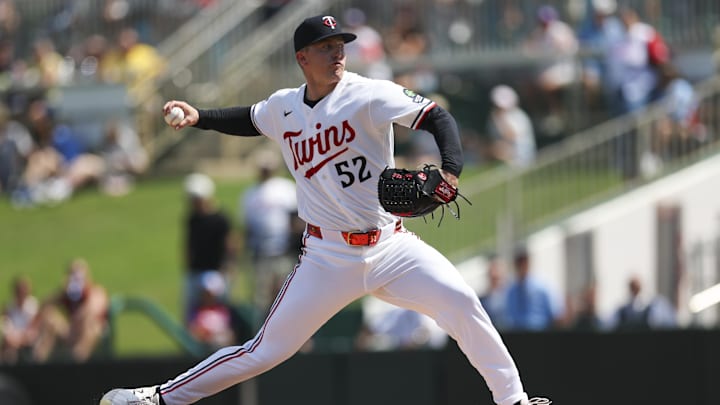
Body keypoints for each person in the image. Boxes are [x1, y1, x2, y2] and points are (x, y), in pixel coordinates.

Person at [103, 15, 549, 405]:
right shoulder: (284, 107)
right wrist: (199, 115)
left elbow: (438, 116)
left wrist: (450, 170)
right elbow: (249, 118)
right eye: (326, 48)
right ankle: (160, 398)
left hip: (390, 247)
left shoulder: (369, 94)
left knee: (461, 302)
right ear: (303, 58)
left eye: (341, 47)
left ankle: (514, 401)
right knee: (264, 351)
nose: (338, 55)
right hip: (326, 257)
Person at [240, 150, 297, 328]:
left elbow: (296, 219)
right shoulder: (250, 194)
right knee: (261, 298)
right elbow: (247, 226)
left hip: (284, 251)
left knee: (287, 295)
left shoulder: (286, 188)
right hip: (261, 252)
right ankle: (262, 334)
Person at [182, 173, 237, 324]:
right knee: (193, 315)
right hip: (196, 271)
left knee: (221, 312)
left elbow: (230, 244)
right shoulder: (192, 218)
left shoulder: (221, 218)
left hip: (216, 272)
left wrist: (230, 267)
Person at [32, 258, 109, 363]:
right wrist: (61, 292)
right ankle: (38, 360)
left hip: (90, 330)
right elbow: (45, 304)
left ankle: (78, 358)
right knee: (50, 318)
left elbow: (93, 309)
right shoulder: (68, 293)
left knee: (90, 323)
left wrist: (79, 315)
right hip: (71, 330)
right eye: (73, 275)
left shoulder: (96, 291)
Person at [505, 246, 563, 331]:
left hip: (540, 333)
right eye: (519, 262)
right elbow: (509, 316)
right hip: (517, 335)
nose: (521, 265)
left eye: (523, 261)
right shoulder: (511, 290)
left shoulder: (542, 287)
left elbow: (555, 313)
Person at [485, 84, 536, 168]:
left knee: (497, 148)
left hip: (522, 153)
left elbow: (511, 136)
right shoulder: (495, 117)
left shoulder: (518, 115)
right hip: (510, 151)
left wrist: (501, 121)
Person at [610, 275, 677, 330]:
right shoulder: (623, 310)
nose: (635, 291)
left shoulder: (656, 305)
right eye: (633, 288)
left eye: (637, 288)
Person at [0, 276, 39, 364]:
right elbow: (7, 332)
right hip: (12, 343)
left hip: (28, 343)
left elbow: (33, 331)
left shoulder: (33, 305)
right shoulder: (8, 308)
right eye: (20, 291)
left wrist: (21, 339)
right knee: (8, 353)